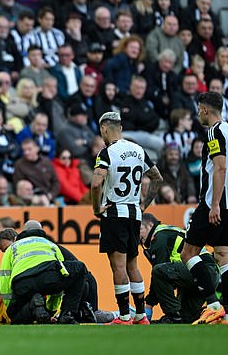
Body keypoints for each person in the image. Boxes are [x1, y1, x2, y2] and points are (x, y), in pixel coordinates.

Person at [91, 111, 163, 325]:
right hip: (135, 214)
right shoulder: (139, 150)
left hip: (114, 213)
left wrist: (96, 208)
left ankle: (123, 316)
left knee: (118, 266)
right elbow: (157, 177)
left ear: (104, 128)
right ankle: (140, 315)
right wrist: (144, 204)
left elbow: (96, 184)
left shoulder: (107, 153)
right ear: (120, 128)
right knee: (133, 265)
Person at [181, 92, 228, 325]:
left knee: (188, 252)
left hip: (214, 202)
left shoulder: (214, 132)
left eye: (198, 110)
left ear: (205, 110)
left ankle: (213, 305)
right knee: (224, 255)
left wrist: (214, 204)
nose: (197, 114)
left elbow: (220, 168)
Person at [0, 219, 88, 324]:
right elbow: (63, 272)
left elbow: (5, 278)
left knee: (16, 318)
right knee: (80, 268)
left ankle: (33, 306)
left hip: (22, 283)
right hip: (48, 277)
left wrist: (11, 306)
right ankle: (67, 315)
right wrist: (51, 311)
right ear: (41, 231)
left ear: (23, 232)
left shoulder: (12, 248)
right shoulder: (51, 245)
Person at [140, 213, 218, 324]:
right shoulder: (168, 232)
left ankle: (172, 315)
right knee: (186, 319)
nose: (138, 234)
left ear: (150, 225)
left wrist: (149, 305)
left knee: (159, 271)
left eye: (140, 229)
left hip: (202, 272)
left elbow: (159, 273)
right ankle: (223, 308)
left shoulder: (159, 237)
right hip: (207, 276)